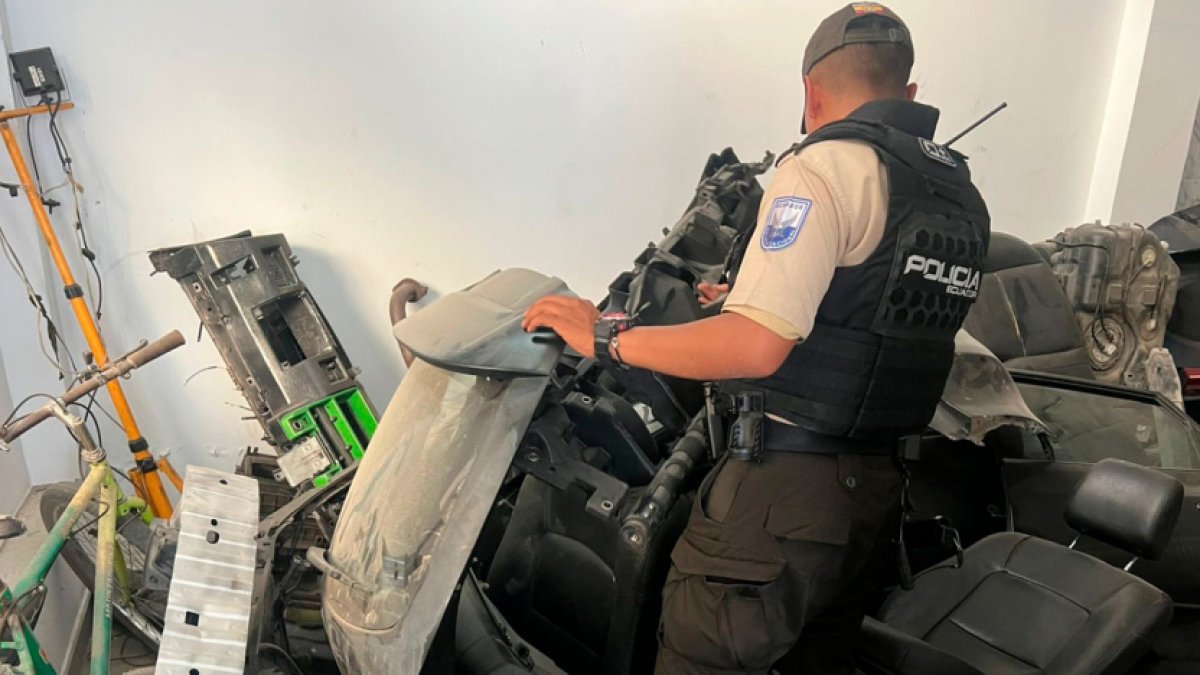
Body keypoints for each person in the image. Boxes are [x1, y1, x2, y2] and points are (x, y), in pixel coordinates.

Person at [523, 3, 991, 672]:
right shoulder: (959, 196)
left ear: (811, 92)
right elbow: (874, 314)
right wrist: (750, 296)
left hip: (783, 501)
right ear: (909, 93)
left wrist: (604, 340)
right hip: (874, 497)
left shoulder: (824, 166)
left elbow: (755, 347)